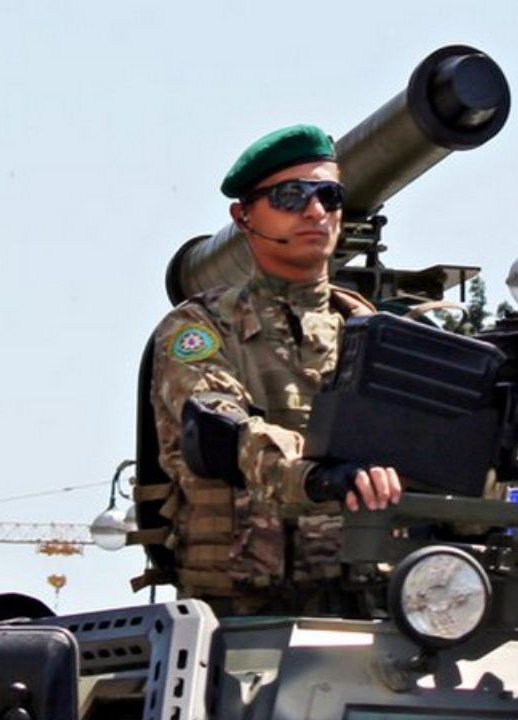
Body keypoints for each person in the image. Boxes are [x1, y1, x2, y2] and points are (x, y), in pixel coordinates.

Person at [149, 124, 401, 615]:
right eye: (291, 196)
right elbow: (222, 432)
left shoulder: (374, 332)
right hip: (240, 615)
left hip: (369, 608)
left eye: (329, 196)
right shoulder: (200, 328)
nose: (315, 212)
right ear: (243, 216)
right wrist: (322, 476)